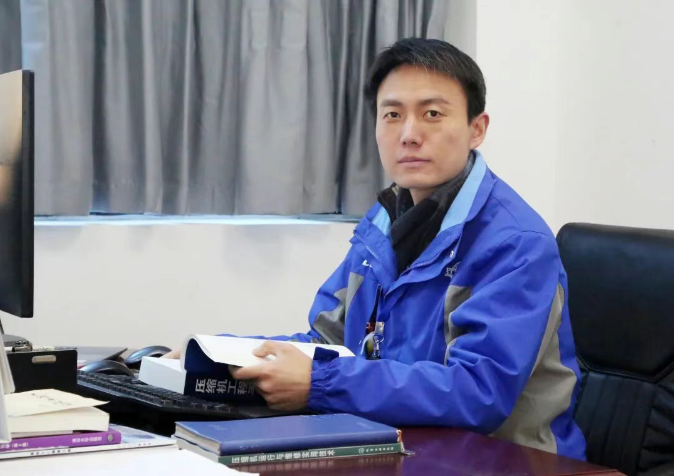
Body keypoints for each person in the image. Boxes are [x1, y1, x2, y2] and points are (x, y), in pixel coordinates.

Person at [167, 38, 586, 460]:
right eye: (392, 115)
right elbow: (327, 340)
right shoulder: (385, 223)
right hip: (396, 447)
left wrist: (320, 382)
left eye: (432, 114)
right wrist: (217, 356)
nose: (409, 135)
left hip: (506, 461)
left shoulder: (514, 243)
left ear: (476, 129)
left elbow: (479, 392)